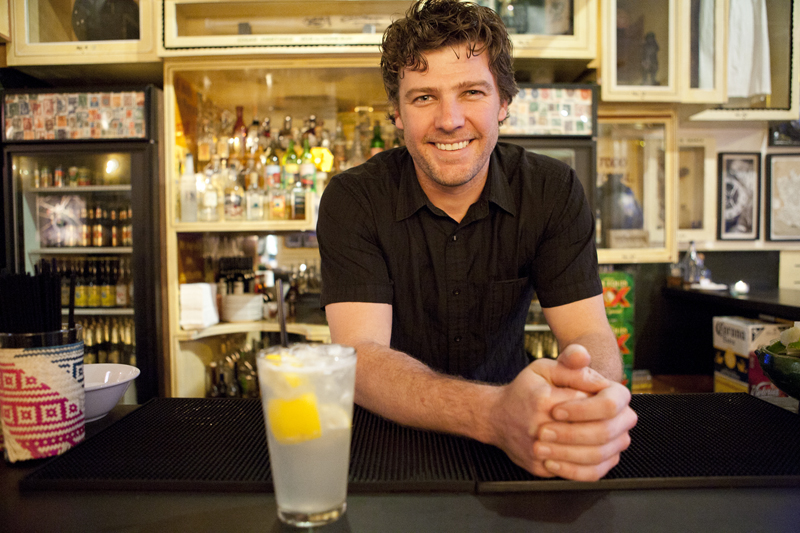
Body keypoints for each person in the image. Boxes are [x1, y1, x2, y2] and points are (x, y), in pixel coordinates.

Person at [317, 0, 637, 482]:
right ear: (398, 113)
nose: (449, 120)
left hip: (523, 440)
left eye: (471, 92)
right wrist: (493, 414)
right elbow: (359, 356)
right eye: (424, 97)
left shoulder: (551, 191)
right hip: (384, 443)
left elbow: (589, 334)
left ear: (504, 102)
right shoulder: (354, 198)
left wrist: (589, 400)